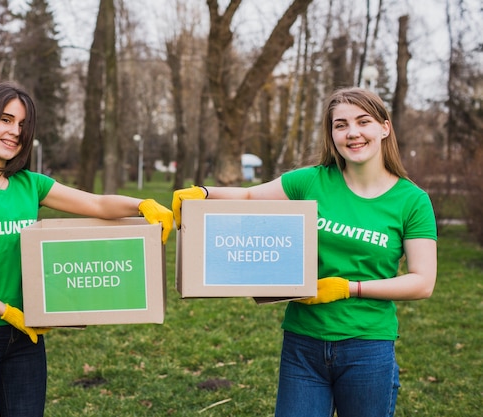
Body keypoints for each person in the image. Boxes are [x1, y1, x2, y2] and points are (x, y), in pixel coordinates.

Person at [172, 87, 437, 417]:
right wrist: (204, 193)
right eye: (340, 125)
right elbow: (252, 198)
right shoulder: (311, 182)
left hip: (368, 346)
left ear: (384, 128)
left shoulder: (411, 201)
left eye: (363, 122)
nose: (352, 132)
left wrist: (348, 288)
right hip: (303, 343)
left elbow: (422, 282)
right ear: (331, 134)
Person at [0, 82, 172, 417]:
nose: (15, 131)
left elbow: (96, 203)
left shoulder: (30, 184)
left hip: (26, 337)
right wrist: (4, 310)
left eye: (22, 125)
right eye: (6, 120)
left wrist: (142, 204)